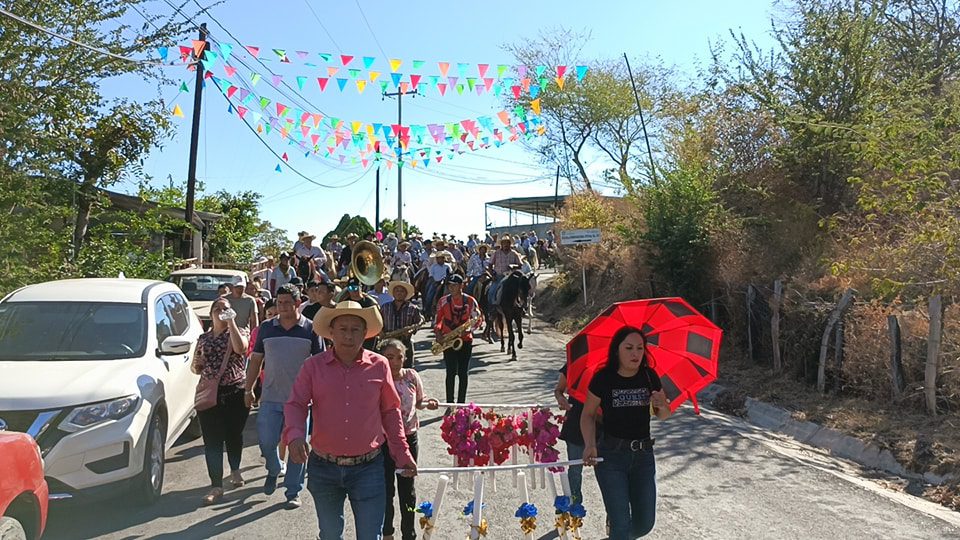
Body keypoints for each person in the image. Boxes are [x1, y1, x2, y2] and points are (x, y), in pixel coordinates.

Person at [284, 301, 417, 539]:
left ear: (365, 333)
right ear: (331, 332)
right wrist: (294, 435)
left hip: (369, 467)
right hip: (324, 467)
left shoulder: (379, 365)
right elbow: (296, 404)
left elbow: (390, 411)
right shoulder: (312, 367)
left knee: (369, 535)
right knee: (330, 533)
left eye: (355, 329)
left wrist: (402, 453)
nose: (348, 335)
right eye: (342, 328)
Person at [581, 326, 672, 539]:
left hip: (643, 457)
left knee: (645, 523)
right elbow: (588, 414)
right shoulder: (603, 378)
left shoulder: (649, 376)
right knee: (621, 526)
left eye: (640, 348)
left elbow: (663, 415)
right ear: (617, 350)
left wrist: (663, 405)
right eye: (629, 347)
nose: (635, 353)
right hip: (611, 456)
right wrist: (589, 444)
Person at [244, 284, 322, 509]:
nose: (283, 307)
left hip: (300, 402)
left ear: (298, 303)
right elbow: (256, 361)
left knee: (298, 448)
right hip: (270, 398)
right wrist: (248, 388)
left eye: (288, 302)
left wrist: (319, 397)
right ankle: (274, 467)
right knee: (267, 442)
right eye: (280, 303)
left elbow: (320, 366)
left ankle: (292, 491)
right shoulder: (267, 328)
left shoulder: (311, 329)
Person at [191, 297, 250, 505]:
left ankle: (235, 469)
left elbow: (241, 349)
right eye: (218, 308)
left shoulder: (240, 331)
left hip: (234, 391)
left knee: (233, 435)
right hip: (210, 393)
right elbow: (195, 366)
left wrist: (231, 322)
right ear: (211, 313)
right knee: (212, 442)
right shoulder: (203, 338)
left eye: (226, 308)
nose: (222, 311)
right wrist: (196, 365)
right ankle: (216, 485)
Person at [378, 339, 438, 540]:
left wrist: (428, 403)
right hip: (384, 442)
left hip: (409, 438)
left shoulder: (411, 376)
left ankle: (408, 533)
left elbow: (419, 401)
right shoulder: (378, 378)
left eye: (399, 357)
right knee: (386, 489)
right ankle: (387, 532)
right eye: (390, 357)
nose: (395, 362)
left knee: (407, 490)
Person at [433, 274, 482, 404]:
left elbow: (478, 319)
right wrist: (438, 334)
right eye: (450, 285)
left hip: (465, 340)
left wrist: (469, 330)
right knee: (450, 373)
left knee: (463, 373)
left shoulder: (471, 301)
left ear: (461, 286)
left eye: (454, 285)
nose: (451, 288)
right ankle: (450, 402)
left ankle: (461, 403)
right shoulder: (443, 301)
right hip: (449, 341)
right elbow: (437, 321)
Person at [555, 363, 587, 505]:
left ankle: (612, 518)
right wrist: (561, 398)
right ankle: (574, 508)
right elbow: (559, 390)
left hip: (604, 428)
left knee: (609, 474)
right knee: (575, 470)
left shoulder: (614, 365)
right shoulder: (575, 362)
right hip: (576, 423)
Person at [379, 281, 423, 369]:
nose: (399, 293)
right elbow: (379, 322)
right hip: (388, 342)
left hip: (405, 342)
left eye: (402, 291)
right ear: (393, 293)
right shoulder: (385, 307)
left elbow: (418, 323)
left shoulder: (413, 308)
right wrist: (381, 332)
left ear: (406, 294)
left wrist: (412, 330)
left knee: (407, 369)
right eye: (397, 291)